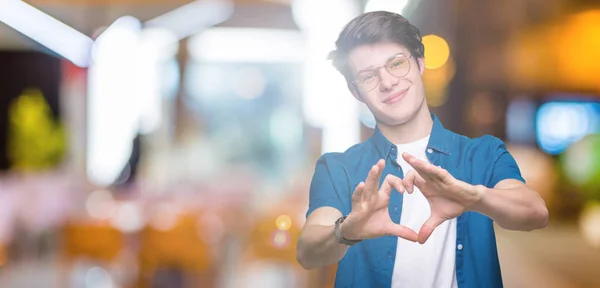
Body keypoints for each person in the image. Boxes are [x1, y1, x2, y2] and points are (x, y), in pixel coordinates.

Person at [296, 11, 549, 288]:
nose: (388, 82)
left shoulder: (483, 153)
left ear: (419, 62)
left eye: (396, 63)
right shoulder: (337, 167)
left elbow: (535, 213)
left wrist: (474, 197)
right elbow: (307, 252)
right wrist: (346, 231)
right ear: (356, 92)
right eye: (368, 76)